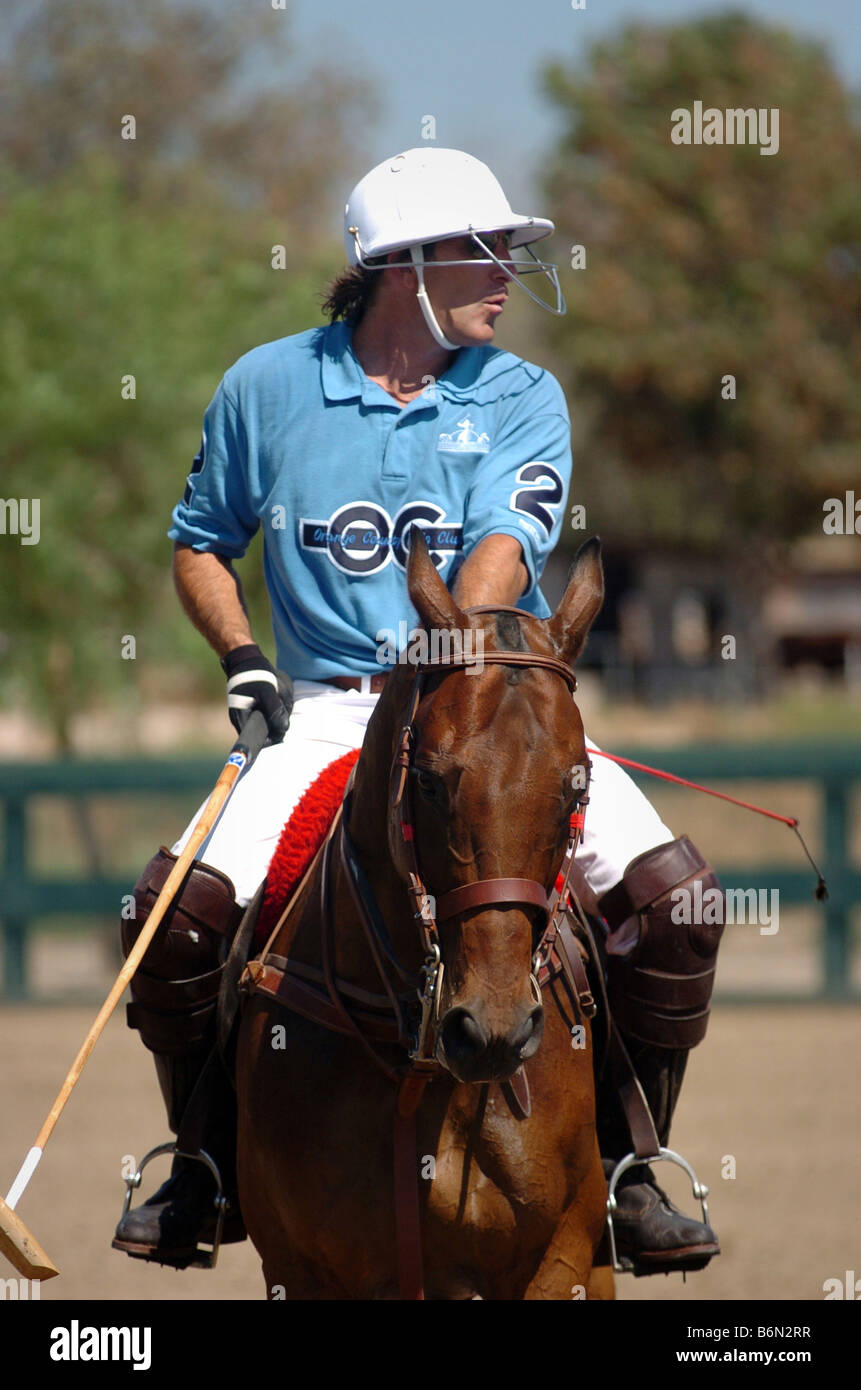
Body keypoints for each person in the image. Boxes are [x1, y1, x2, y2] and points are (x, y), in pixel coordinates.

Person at [112, 148, 723, 1278]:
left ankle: (637, 1162)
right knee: (176, 914)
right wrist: (245, 656)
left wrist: (447, 668)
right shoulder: (267, 387)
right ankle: (201, 1162)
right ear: (402, 266)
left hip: (491, 707)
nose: (510, 273)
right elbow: (201, 540)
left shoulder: (520, 395)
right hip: (329, 715)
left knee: (681, 900)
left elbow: (503, 551)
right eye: (485, 252)